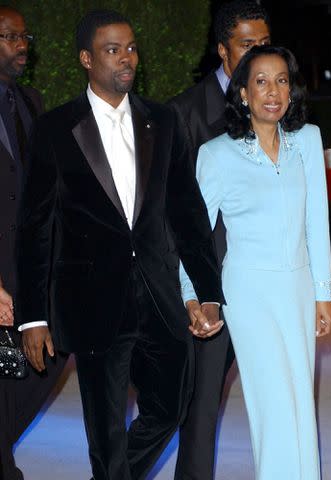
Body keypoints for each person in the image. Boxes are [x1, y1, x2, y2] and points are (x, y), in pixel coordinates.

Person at [14, 9, 224, 480]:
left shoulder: (163, 121)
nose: (126, 59)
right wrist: (33, 316)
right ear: (87, 59)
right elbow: (35, 229)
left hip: (158, 296)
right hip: (90, 303)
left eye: (130, 48)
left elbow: (187, 214)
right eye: (113, 50)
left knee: (172, 405)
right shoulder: (54, 128)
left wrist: (208, 291)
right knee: (106, 430)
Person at [180, 44, 331, 479]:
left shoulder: (308, 140)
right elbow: (193, 235)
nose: (273, 91)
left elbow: (317, 223)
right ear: (243, 94)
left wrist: (323, 294)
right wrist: (194, 297)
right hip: (247, 293)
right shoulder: (217, 154)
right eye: (261, 82)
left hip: (299, 287)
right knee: (273, 402)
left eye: (282, 80)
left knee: (301, 398)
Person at [169, 2, 271, 478]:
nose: (259, 54)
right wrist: (190, 291)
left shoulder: (277, 104)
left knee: (278, 397)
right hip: (212, 285)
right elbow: (172, 212)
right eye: (248, 44)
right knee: (202, 402)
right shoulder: (185, 114)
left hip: (269, 279)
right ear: (222, 51)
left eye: (265, 44)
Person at [0, 6, 67, 480]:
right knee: (5, 374)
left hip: (30, 267)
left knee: (46, 355)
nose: (22, 45)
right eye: (9, 36)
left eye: (24, 36)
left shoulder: (31, 101)